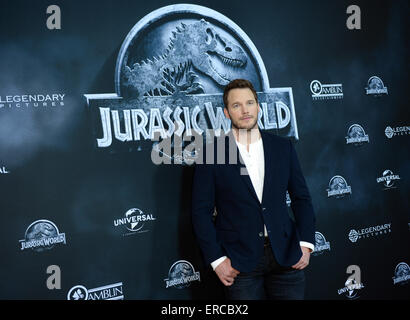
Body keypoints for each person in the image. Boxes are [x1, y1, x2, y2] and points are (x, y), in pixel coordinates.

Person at [191, 79, 316, 300]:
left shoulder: (282, 147)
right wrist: (218, 260)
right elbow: (201, 213)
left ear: (258, 107)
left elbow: (301, 198)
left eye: (249, 103)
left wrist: (306, 244)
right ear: (227, 113)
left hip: (286, 256)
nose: (245, 110)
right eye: (236, 105)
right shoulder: (212, 153)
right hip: (239, 262)